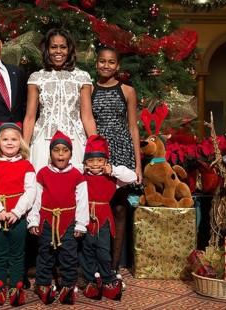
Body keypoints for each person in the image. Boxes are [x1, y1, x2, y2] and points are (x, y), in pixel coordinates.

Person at [91, 46, 142, 271]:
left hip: (121, 152)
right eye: (102, 61)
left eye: (111, 62)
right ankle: (95, 261)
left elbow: (133, 127)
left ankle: (114, 265)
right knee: (97, 205)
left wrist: (138, 165)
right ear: (96, 63)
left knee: (119, 207)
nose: (106, 65)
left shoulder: (127, 90)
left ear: (117, 66)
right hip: (98, 154)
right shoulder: (89, 89)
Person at [27, 130, 89, 305]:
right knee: (45, 254)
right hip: (47, 221)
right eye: (56, 150)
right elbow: (36, 199)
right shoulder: (42, 174)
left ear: (71, 153)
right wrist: (33, 219)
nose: (60, 154)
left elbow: (82, 201)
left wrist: (81, 224)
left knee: (69, 255)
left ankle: (68, 285)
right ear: (50, 153)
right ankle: (43, 284)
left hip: (68, 222)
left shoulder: (77, 175)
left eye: (65, 150)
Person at [23, 28, 97, 172]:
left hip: (75, 140)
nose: (58, 51)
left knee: (75, 187)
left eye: (63, 47)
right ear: (47, 49)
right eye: (53, 47)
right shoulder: (36, 77)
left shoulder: (82, 77)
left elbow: (87, 117)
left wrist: (96, 146)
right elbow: (30, 117)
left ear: (69, 49)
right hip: (43, 140)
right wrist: (24, 149)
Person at [0, 122, 36, 307]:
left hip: (17, 218)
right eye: (5, 139)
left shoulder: (27, 165)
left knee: (18, 254)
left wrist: (16, 212)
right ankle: (0, 286)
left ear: (21, 142)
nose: (10, 143)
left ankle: (16, 287)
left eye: (14, 139)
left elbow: (30, 191)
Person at [79, 135, 136, 301]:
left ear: (105, 162)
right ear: (85, 162)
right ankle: (91, 281)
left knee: (103, 251)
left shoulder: (112, 179)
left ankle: (108, 279)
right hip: (86, 218)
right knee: (87, 250)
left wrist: (113, 170)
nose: (95, 164)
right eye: (91, 161)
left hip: (104, 219)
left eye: (99, 160)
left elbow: (132, 177)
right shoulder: (81, 177)